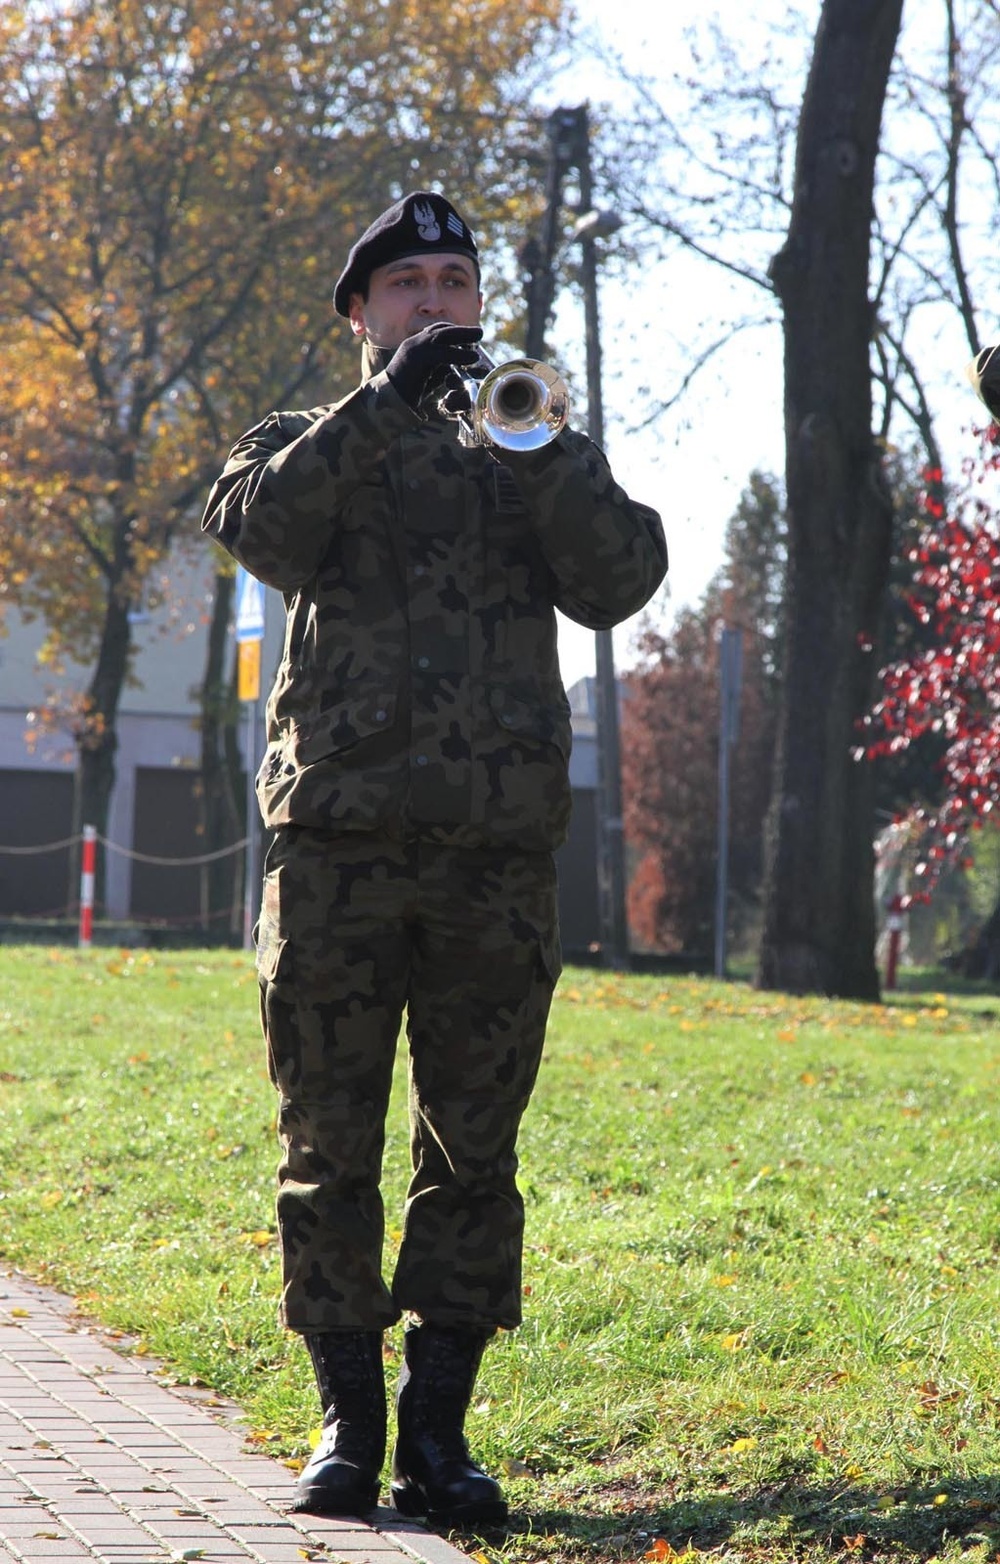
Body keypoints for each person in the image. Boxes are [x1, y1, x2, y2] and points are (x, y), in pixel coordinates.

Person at [201, 190, 667, 1527]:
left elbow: (623, 579)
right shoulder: (302, 439)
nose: (436, 303)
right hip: (335, 852)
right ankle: (347, 1425)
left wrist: (551, 451)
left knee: (474, 1154)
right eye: (406, 284)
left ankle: (440, 1438)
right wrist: (385, 406)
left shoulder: (527, 446)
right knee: (325, 1145)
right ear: (359, 315)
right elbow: (261, 530)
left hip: (495, 862)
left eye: (454, 280)